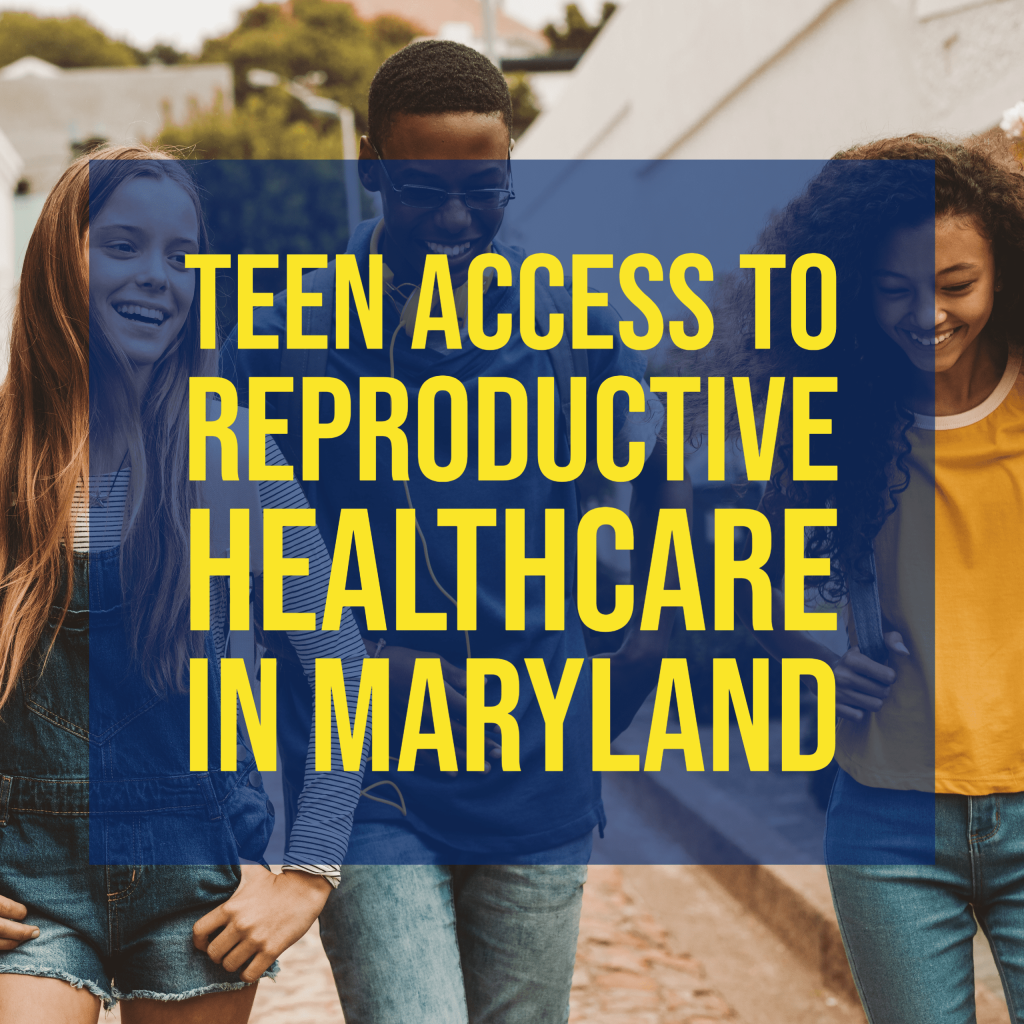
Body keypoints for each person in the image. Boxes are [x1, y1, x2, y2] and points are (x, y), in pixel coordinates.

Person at [223, 39, 689, 1024]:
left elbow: (659, 546)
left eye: (482, 191)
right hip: (366, 788)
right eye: (419, 189)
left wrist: (597, 705)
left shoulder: (582, 333)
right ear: (367, 165)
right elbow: (233, 562)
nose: (450, 220)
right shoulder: (283, 338)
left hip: (536, 785)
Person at [0, 146, 369, 1022]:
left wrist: (309, 876)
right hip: (29, 875)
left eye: (182, 255)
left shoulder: (232, 449)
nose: (157, 276)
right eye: (123, 245)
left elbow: (341, 666)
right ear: (61, 254)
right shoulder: (7, 449)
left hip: (196, 873)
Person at [734, 135, 1024, 1022]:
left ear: (1003, 273)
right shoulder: (822, 412)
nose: (925, 313)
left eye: (954, 285)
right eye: (893, 289)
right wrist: (813, 649)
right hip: (887, 824)